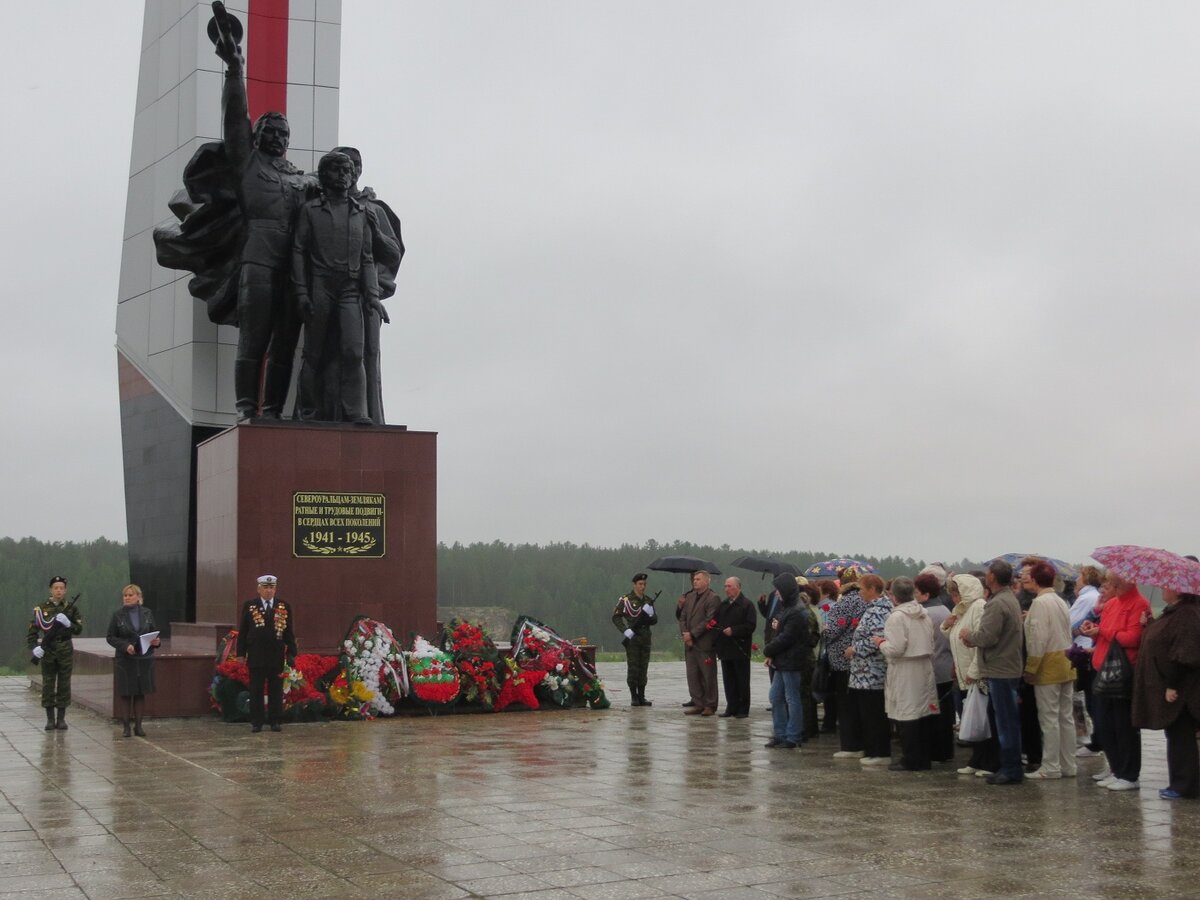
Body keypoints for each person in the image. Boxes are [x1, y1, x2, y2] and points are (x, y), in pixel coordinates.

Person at [291, 151, 384, 423]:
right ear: (324, 175)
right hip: (321, 286)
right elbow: (298, 250)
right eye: (336, 170)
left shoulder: (361, 213)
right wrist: (301, 292)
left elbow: (367, 258)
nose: (343, 176)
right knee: (314, 353)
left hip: (350, 290)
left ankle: (356, 411)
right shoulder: (310, 210)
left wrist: (373, 297)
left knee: (354, 352)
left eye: (347, 171)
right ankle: (308, 411)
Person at [331, 146, 404, 425]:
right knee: (328, 355)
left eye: (356, 165)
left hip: (366, 293)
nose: (351, 170)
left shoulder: (374, 209)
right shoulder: (317, 206)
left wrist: (374, 229)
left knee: (367, 355)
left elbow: (392, 254)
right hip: (327, 292)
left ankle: (370, 416)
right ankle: (329, 415)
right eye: (345, 164)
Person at [1080, 573, 1150, 791]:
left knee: (1123, 725)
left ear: (1130, 581)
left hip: (1122, 672)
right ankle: (1117, 769)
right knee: (1104, 723)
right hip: (1102, 668)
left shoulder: (1139, 603)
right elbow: (1105, 635)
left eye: (1115, 582)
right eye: (1111, 582)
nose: (1112, 586)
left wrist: (1103, 631)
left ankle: (1129, 773)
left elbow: (1133, 638)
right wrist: (1093, 632)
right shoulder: (1111, 604)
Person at [1132, 586, 1200, 799]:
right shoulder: (1176, 611)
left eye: (1167, 587)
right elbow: (1164, 638)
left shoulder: (1188, 614)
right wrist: (1150, 624)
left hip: (1182, 689)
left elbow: (1185, 654)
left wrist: (1173, 685)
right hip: (1173, 685)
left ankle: (1185, 785)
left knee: (1182, 736)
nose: (1163, 589)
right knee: (1176, 734)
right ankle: (1181, 782)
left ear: (1179, 591)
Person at [960, 560, 1024, 785]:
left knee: (1005, 722)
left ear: (993, 578)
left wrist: (969, 635)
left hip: (1001, 668)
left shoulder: (997, 604)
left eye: (988, 574)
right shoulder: (1010, 598)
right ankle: (1009, 765)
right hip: (1008, 666)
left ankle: (1011, 768)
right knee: (1007, 721)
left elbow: (988, 636)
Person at [1021, 560, 1077, 779]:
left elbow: (1037, 638)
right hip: (1066, 660)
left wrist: (1031, 667)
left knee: (1049, 718)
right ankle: (1068, 764)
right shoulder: (1061, 600)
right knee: (1066, 717)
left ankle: (1051, 766)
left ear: (1034, 580)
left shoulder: (1040, 603)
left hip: (1048, 664)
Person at [876, 576, 938, 771]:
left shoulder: (896, 617)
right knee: (922, 712)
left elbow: (896, 648)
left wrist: (880, 643)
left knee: (907, 713)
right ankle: (924, 757)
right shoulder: (924, 614)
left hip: (905, 667)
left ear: (893, 596)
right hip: (924, 664)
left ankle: (910, 758)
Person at [944, 574, 1000, 776]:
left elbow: (980, 642)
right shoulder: (960, 610)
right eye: (952, 594)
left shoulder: (978, 607)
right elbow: (954, 637)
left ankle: (990, 761)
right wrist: (947, 625)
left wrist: (974, 671)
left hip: (975, 672)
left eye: (957, 594)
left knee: (984, 718)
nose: (954, 598)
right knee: (973, 716)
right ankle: (977, 759)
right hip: (963, 670)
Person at [236, 575, 298, 733]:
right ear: (259, 589)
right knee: (256, 689)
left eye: (272, 587)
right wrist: (241, 653)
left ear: (275, 589)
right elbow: (243, 631)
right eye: (265, 587)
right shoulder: (250, 606)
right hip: (256, 654)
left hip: (276, 655)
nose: (269, 590)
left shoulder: (283, 606)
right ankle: (257, 722)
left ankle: (275, 720)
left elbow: (288, 631)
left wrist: (291, 651)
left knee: (276, 689)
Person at [763, 572, 816, 747]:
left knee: (792, 699)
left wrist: (768, 650)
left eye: (778, 590)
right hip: (783, 660)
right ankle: (780, 733)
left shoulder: (796, 611)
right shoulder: (788, 607)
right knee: (775, 696)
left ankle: (794, 735)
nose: (776, 593)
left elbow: (786, 637)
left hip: (792, 661)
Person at [847, 574, 893, 766]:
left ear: (873, 589)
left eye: (862, 588)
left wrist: (855, 649)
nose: (859, 592)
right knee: (865, 713)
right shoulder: (873, 608)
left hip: (872, 672)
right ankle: (871, 749)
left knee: (874, 713)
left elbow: (878, 639)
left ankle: (879, 752)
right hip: (863, 673)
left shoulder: (879, 611)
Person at [27, 576, 84, 731]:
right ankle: (50, 719)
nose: (58, 591)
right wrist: (34, 648)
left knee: (64, 683)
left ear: (65, 591)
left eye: (61, 588)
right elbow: (32, 632)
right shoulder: (41, 608)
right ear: (51, 590)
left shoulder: (71, 609)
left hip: (65, 648)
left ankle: (61, 719)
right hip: (49, 650)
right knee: (48, 683)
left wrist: (68, 624)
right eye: (55, 588)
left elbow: (78, 629)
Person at [105, 584, 162, 738]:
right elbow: (110, 637)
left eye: (130, 595)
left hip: (144, 659)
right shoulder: (118, 615)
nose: (127, 598)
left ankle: (138, 726)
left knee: (139, 693)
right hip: (125, 659)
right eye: (125, 595)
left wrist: (157, 642)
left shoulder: (147, 613)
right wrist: (125, 646)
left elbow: (153, 633)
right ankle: (126, 727)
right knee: (126, 693)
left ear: (138, 597)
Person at [826, 569, 868, 759]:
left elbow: (836, 627)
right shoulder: (863, 599)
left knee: (845, 703)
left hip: (842, 658)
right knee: (857, 702)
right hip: (859, 656)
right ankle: (861, 742)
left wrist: (824, 630)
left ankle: (850, 745)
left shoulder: (846, 601)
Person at [914, 572, 956, 763]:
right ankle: (946, 751)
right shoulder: (946, 610)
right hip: (947, 668)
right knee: (945, 715)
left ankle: (935, 751)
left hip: (932, 669)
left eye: (917, 592)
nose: (914, 595)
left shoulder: (925, 614)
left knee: (932, 715)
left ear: (925, 594)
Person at [1070, 565, 1104, 757]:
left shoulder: (1086, 597)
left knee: (1088, 697)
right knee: (1087, 697)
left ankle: (1094, 740)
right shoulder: (1092, 597)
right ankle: (1094, 738)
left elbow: (1071, 622)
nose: (1076, 579)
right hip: (1087, 648)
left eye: (1079, 576)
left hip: (1085, 650)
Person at [677, 571, 722, 715]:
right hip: (689, 643)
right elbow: (682, 617)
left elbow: (709, 619)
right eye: (694, 579)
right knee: (693, 674)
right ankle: (698, 702)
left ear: (707, 581)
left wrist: (692, 634)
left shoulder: (713, 598)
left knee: (708, 675)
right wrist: (685, 634)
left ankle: (710, 704)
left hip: (704, 643)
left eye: (698, 579)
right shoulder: (689, 597)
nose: (694, 581)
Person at [612, 573, 658, 706]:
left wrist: (650, 614)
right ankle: (634, 696)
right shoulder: (625, 599)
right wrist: (625, 630)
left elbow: (655, 620)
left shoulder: (648, 600)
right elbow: (616, 617)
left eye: (644, 584)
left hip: (645, 639)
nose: (642, 587)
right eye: (640, 584)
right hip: (632, 639)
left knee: (643, 668)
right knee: (633, 668)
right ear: (634, 585)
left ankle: (642, 696)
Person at [715, 576, 757, 718]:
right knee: (729, 680)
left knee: (742, 680)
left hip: (740, 648)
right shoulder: (723, 605)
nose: (726, 589)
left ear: (738, 587)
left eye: (729, 586)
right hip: (725, 648)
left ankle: (743, 709)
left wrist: (734, 630)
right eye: (725, 586)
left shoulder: (747, 605)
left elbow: (750, 626)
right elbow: (716, 621)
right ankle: (731, 707)